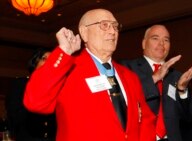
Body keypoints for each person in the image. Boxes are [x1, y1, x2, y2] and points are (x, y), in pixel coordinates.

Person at [23, 8, 156, 141]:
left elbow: (145, 121)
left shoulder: (130, 76)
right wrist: (63, 52)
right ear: (84, 32)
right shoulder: (68, 70)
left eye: (115, 26)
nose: (112, 31)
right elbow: (35, 102)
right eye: (104, 25)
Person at [121, 24, 192, 141]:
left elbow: (190, 116)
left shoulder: (177, 76)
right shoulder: (127, 68)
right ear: (144, 43)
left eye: (166, 40)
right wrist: (155, 78)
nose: (161, 44)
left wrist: (182, 90)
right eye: (155, 38)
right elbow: (125, 100)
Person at [5, 48, 57, 141]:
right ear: (35, 62)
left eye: (53, 59)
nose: (49, 62)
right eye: (44, 58)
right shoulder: (21, 84)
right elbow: (14, 115)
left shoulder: (58, 86)